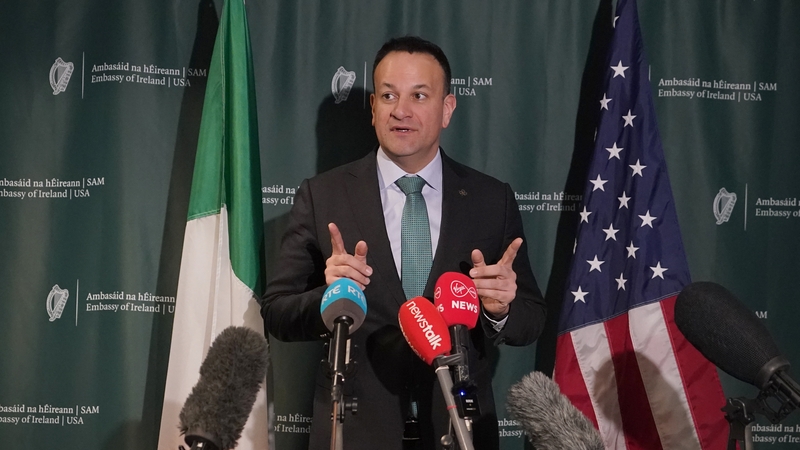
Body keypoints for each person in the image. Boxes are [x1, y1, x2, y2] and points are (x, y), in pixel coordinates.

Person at [261, 36, 546, 450]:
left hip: (458, 431)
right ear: (374, 107)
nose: (402, 111)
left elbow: (531, 320)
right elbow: (277, 313)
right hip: (355, 431)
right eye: (389, 95)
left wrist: (500, 309)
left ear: (447, 108)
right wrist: (330, 297)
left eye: (419, 95)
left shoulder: (491, 199)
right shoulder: (323, 195)